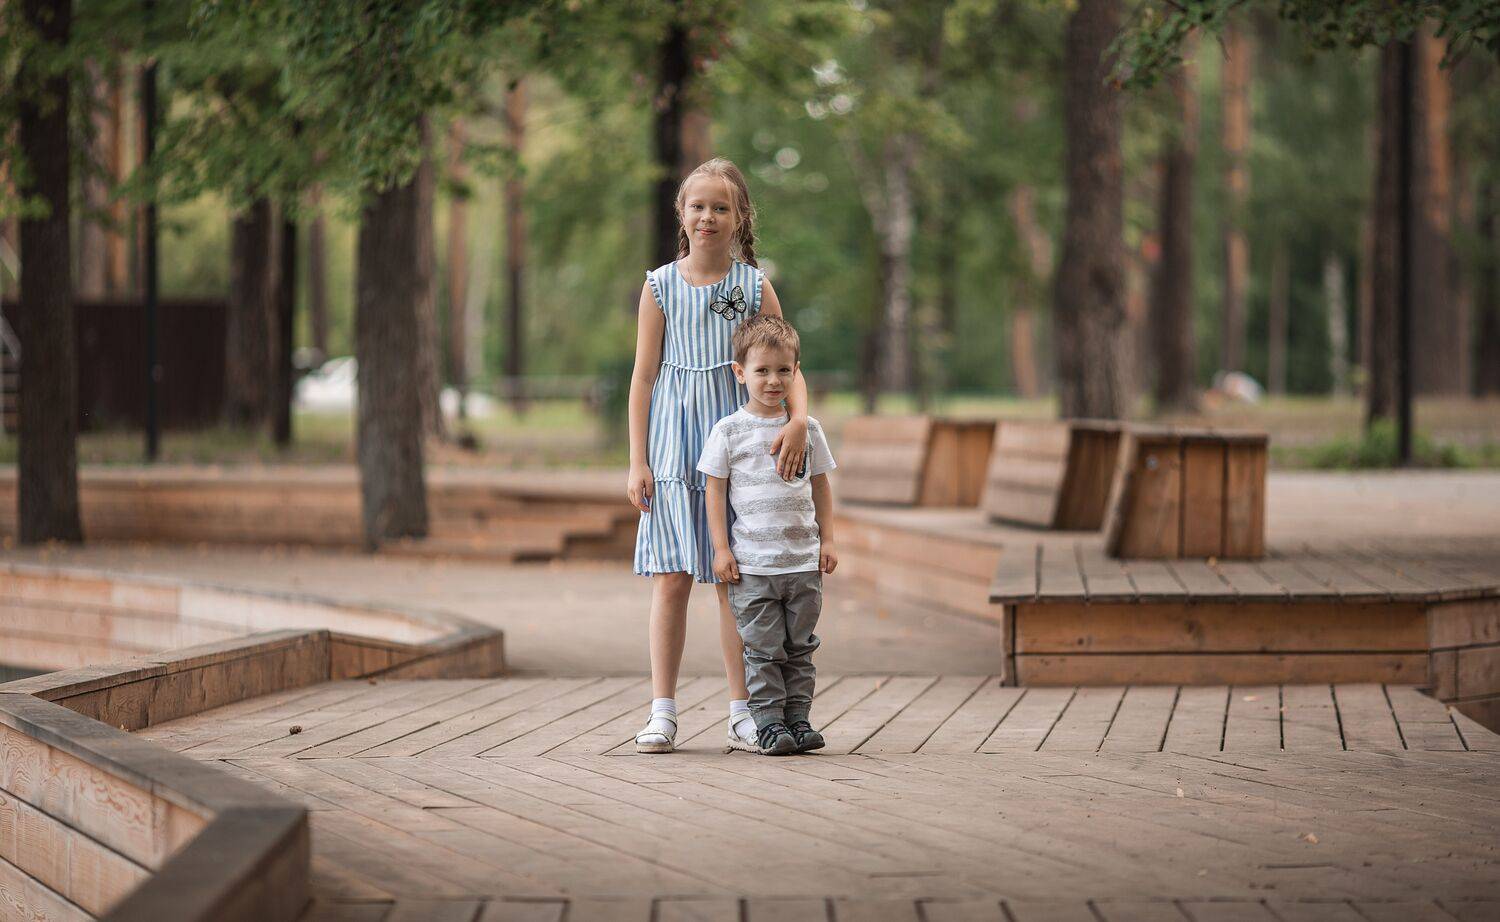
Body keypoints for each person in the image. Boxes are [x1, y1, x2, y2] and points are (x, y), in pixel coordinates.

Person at [628, 159, 810, 754]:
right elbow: (643, 379)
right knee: (672, 578)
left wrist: (799, 421)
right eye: (697, 206)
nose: (708, 216)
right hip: (676, 451)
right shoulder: (659, 286)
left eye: (721, 207)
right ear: (681, 215)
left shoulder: (753, 287)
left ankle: (744, 711)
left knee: (737, 581)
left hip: (741, 455)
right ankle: (662, 711)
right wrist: (637, 459)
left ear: (740, 218)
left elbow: (788, 361)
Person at [698, 314, 838, 755]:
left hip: (802, 565)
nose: (773, 380)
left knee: (800, 648)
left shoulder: (808, 430)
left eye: (783, 370)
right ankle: (768, 725)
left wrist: (828, 540)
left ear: (796, 372)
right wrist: (721, 549)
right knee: (762, 650)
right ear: (740, 373)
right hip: (754, 568)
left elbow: (820, 486)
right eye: (762, 370)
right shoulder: (728, 431)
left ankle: (798, 720)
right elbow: (714, 491)